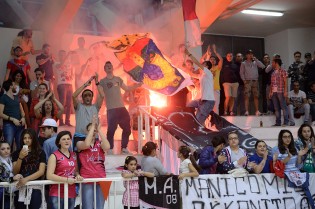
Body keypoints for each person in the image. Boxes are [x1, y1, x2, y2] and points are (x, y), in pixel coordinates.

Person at [98, 61, 141, 154]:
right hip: (111, 109)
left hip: (121, 108)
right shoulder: (102, 81)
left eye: (110, 66)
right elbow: (101, 94)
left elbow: (127, 89)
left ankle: (124, 148)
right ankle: (110, 149)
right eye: (107, 66)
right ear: (104, 69)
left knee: (127, 128)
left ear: (113, 68)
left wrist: (137, 85)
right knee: (111, 130)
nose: (109, 67)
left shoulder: (118, 79)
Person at [272, 130, 315, 209]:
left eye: (289, 137)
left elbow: (298, 166)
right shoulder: (275, 149)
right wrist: (288, 157)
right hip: (284, 175)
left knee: (306, 189)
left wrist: (299, 156)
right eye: (285, 137)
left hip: (296, 173)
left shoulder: (295, 148)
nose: (287, 139)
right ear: (281, 138)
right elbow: (277, 166)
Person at [76, 116, 110, 209]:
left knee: (100, 207)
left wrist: (99, 130)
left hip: (102, 179)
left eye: (94, 130)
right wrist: (93, 127)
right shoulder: (79, 143)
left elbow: (107, 147)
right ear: (86, 131)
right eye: (90, 130)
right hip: (87, 179)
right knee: (88, 207)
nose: (93, 131)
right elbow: (86, 144)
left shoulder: (100, 144)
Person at [46, 131, 83, 209]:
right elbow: (49, 175)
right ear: (59, 142)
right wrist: (66, 179)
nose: (66, 141)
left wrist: (78, 176)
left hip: (71, 192)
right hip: (57, 192)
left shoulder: (74, 155)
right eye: (63, 139)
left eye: (68, 139)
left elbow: (75, 171)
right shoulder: (54, 156)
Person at [12, 129, 46, 209]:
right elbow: (15, 172)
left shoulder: (40, 152)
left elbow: (41, 171)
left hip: (35, 187)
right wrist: (20, 157)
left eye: (29, 138)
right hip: (20, 187)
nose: (27, 140)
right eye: (25, 138)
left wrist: (26, 179)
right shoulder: (16, 153)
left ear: (33, 139)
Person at [184, 49, 215, 126]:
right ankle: (192, 122)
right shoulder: (201, 76)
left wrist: (188, 53)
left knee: (198, 122)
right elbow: (191, 74)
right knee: (189, 105)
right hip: (201, 101)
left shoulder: (208, 73)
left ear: (206, 66)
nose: (201, 66)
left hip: (208, 102)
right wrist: (184, 66)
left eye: (203, 64)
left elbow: (197, 63)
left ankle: (202, 134)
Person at [72, 75, 103, 147]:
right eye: (85, 96)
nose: (87, 97)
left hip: (93, 137)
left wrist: (97, 82)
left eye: (89, 95)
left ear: (92, 97)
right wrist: (85, 85)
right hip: (80, 137)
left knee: (94, 157)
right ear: (82, 98)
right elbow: (74, 96)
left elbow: (102, 96)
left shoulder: (96, 107)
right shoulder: (79, 106)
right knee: (79, 158)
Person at [0, 79, 26, 150]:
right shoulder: (3, 98)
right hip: (9, 125)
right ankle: (6, 160)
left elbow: (22, 111)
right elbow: (0, 113)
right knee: (8, 145)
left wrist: (23, 118)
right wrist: (12, 119)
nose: (16, 86)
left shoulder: (17, 98)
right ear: (11, 86)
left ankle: (20, 160)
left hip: (20, 125)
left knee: (20, 145)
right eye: (14, 85)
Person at [240, 50, 265, 116]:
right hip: (247, 81)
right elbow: (241, 73)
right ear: (246, 55)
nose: (250, 55)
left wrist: (256, 59)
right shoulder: (243, 63)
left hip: (255, 81)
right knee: (247, 96)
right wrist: (244, 80)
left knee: (256, 96)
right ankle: (246, 111)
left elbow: (262, 66)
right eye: (249, 54)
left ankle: (257, 111)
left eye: (251, 54)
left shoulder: (255, 62)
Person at [54, 50, 75, 126]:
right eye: (61, 55)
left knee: (69, 104)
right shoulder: (56, 63)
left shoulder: (70, 64)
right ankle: (61, 121)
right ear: (59, 56)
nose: (63, 56)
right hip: (62, 85)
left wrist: (71, 77)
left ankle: (67, 121)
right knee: (62, 103)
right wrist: (67, 55)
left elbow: (73, 73)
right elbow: (60, 66)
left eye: (64, 54)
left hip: (69, 84)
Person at [0, 141, 23, 209]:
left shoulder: (11, 159)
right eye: (3, 149)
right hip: (2, 192)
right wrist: (13, 178)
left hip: (11, 191)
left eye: (8, 148)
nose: (6, 151)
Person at [269, 58, 291, 126]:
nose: (272, 64)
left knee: (283, 107)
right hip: (274, 92)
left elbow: (285, 82)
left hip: (280, 91)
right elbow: (271, 83)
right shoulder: (273, 72)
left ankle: (286, 122)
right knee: (276, 108)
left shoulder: (283, 71)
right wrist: (270, 92)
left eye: (273, 62)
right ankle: (278, 122)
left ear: (276, 63)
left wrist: (285, 91)